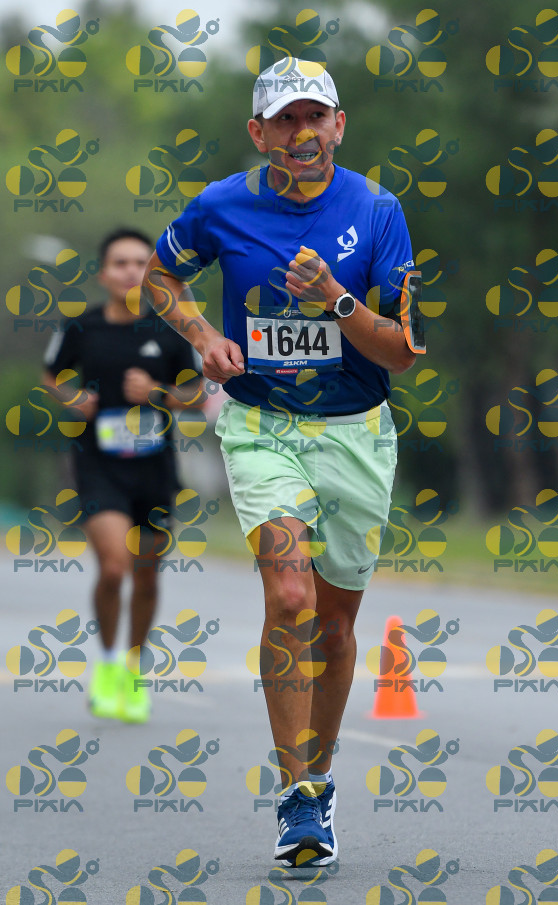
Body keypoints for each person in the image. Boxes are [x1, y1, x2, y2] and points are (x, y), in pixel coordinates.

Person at [143, 57, 417, 864]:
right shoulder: (220, 205)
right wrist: (203, 336)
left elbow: (401, 351)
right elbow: (161, 276)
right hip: (262, 424)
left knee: (334, 624)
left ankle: (319, 777)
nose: (302, 133)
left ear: (339, 126)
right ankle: (296, 796)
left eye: (315, 117)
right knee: (290, 593)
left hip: (357, 432)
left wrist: (335, 297)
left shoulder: (377, 210)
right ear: (259, 133)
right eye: (285, 120)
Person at [42, 228, 202, 723]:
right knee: (114, 567)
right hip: (98, 464)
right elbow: (51, 374)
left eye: (140, 263)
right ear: (103, 273)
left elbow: (197, 393)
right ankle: (109, 663)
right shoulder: (81, 326)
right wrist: (73, 398)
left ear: (151, 274)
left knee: (147, 573)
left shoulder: (171, 330)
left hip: (154, 469)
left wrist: (157, 393)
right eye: (120, 262)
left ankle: (133, 669)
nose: (131, 271)